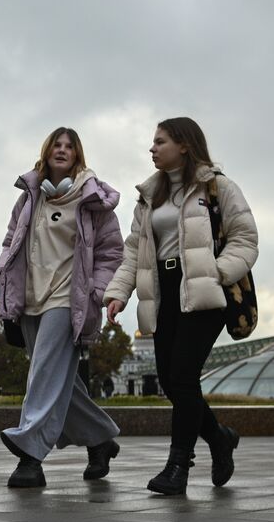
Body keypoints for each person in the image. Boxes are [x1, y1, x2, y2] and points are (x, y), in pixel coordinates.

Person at [104, 117, 258, 495]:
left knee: (184, 377)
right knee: (173, 383)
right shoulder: (149, 196)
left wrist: (216, 272)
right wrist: (118, 292)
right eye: (153, 142)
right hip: (162, 291)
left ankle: (178, 467)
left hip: (204, 292)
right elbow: (132, 253)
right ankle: (220, 438)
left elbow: (246, 238)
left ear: (184, 145)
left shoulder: (217, 187)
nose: (152, 148)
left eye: (160, 141)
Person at [0, 126, 125, 488]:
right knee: (55, 377)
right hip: (30, 296)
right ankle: (99, 439)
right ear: (47, 151)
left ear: (78, 155)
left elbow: (112, 252)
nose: (62, 150)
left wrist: (97, 291)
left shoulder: (92, 201)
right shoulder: (29, 198)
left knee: (43, 374)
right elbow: (11, 241)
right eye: (57, 144)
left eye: (70, 146)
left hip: (69, 298)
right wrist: (3, 273)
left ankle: (30, 454)